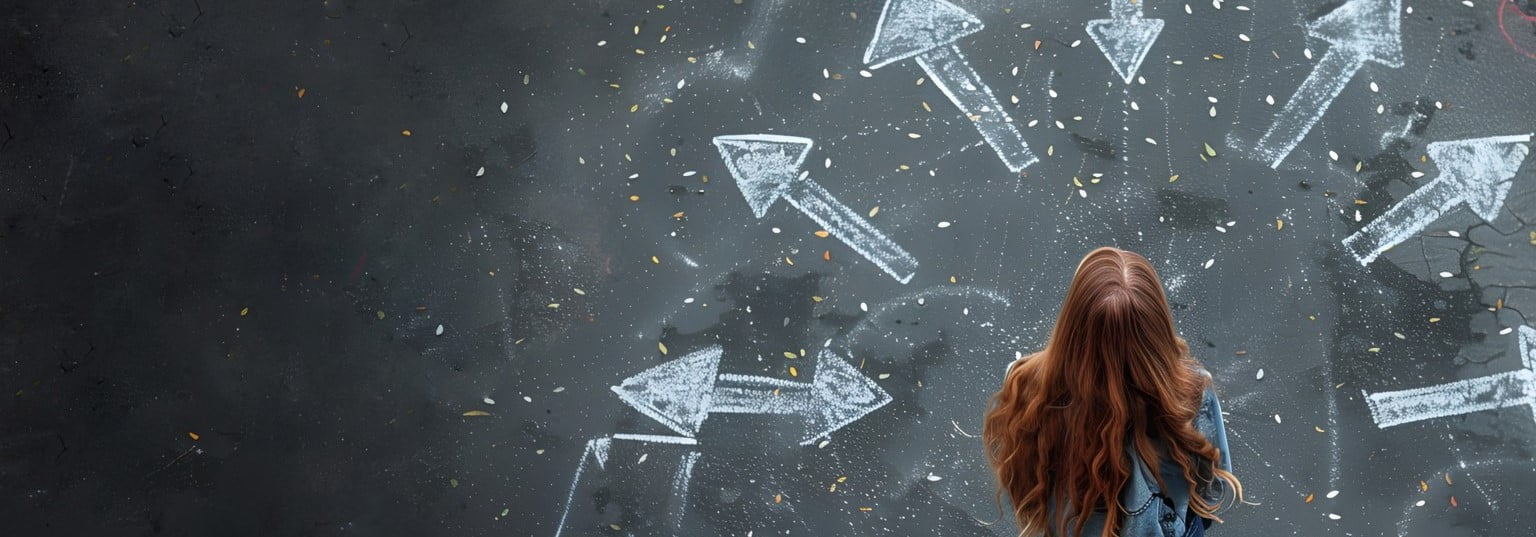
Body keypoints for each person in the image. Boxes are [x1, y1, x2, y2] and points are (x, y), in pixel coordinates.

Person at [982, 247, 1242, 537]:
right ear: (1156, 331)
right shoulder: (1191, 395)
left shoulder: (1025, 385)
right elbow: (1211, 488)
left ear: (1072, 325)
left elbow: (1020, 484)